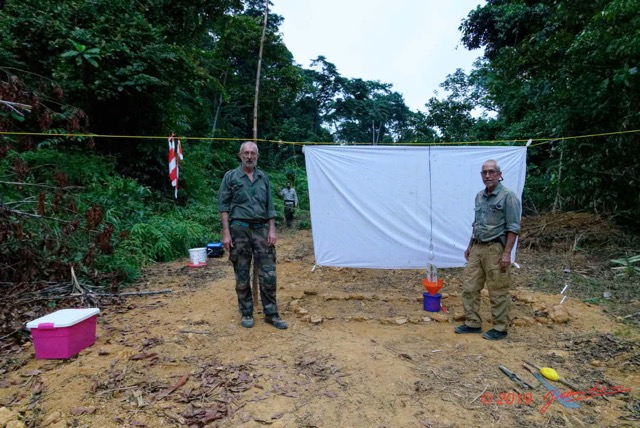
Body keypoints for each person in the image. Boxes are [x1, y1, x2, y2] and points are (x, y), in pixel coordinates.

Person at [218, 141, 287, 330]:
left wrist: (272, 229)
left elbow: (270, 205)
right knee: (241, 273)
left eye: (253, 153)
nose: (249, 156)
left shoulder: (263, 177)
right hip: (239, 229)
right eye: (246, 153)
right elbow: (224, 207)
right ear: (240, 155)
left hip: (261, 229)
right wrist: (226, 234)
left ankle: (271, 314)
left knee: (269, 273)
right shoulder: (231, 177)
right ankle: (246, 312)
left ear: (257, 156)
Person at [454, 159, 521, 341]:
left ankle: (500, 327)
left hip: (495, 248)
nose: (488, 176)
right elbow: (477, 224)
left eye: (491, 172)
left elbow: (513, 227)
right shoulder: (479, 196)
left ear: (499, 175)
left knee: (497, 288)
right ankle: (472, 323)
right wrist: (469, 246)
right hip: (477, 246)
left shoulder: (508, 197)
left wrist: (507, 253)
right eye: (484, 172)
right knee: (469, 286)